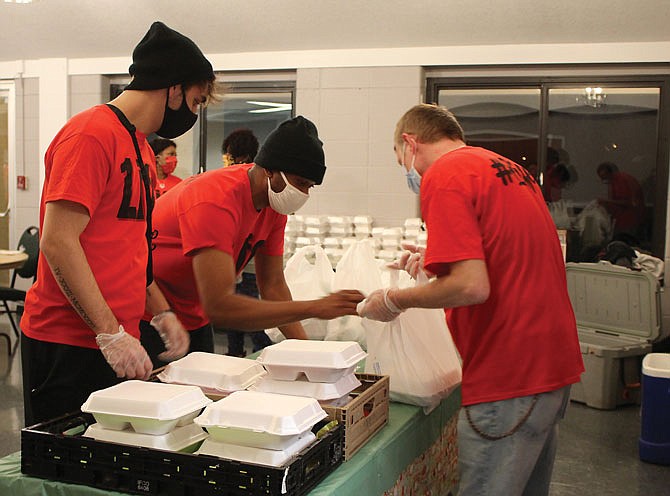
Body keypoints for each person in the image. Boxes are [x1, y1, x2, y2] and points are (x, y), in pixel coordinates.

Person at [357, 104, 584, 495]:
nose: (411, 175)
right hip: (551, 365)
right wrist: (435, 263)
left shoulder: (444, 174)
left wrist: (394, 300)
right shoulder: (507, 169)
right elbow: (507, 256)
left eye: (403, 162)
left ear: (410, 143)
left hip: (510, 371)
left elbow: (471, 288)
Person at [20, 21, 217, 426]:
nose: (193, 114)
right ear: (173, 88)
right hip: (68, 343)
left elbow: (129, 249)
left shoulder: (141, 147)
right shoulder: (91, 135)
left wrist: (162, 313)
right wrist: (109, 333)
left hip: (114, 338)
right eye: (196, 102)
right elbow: (58, 242)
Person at [139, 116, 364, 367]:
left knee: (201, 394)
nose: (303, 194)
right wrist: (313, 308)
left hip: (194, 314)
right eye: (300, 184)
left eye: (310, 187)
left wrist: (311, 356)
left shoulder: (274, 204)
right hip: (150, 314)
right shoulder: (215, 199)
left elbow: (274, 286)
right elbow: (220, 307)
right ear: (269, 169)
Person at [219, 128, 270, 357]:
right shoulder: (228, 187)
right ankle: (236, 353)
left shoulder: (247, 188)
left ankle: (262, 353)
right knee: (234, 317)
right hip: (234, 267)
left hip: (245, 268)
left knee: (251, 320)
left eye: (227, 155)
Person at [596, 161, 645, 237]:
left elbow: (629, 203)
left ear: (609, 173)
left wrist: (607, 201)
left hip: (628, 221)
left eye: (604, 177)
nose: (604, 180)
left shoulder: (621, 180)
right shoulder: (618, 179)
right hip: (623, 221)